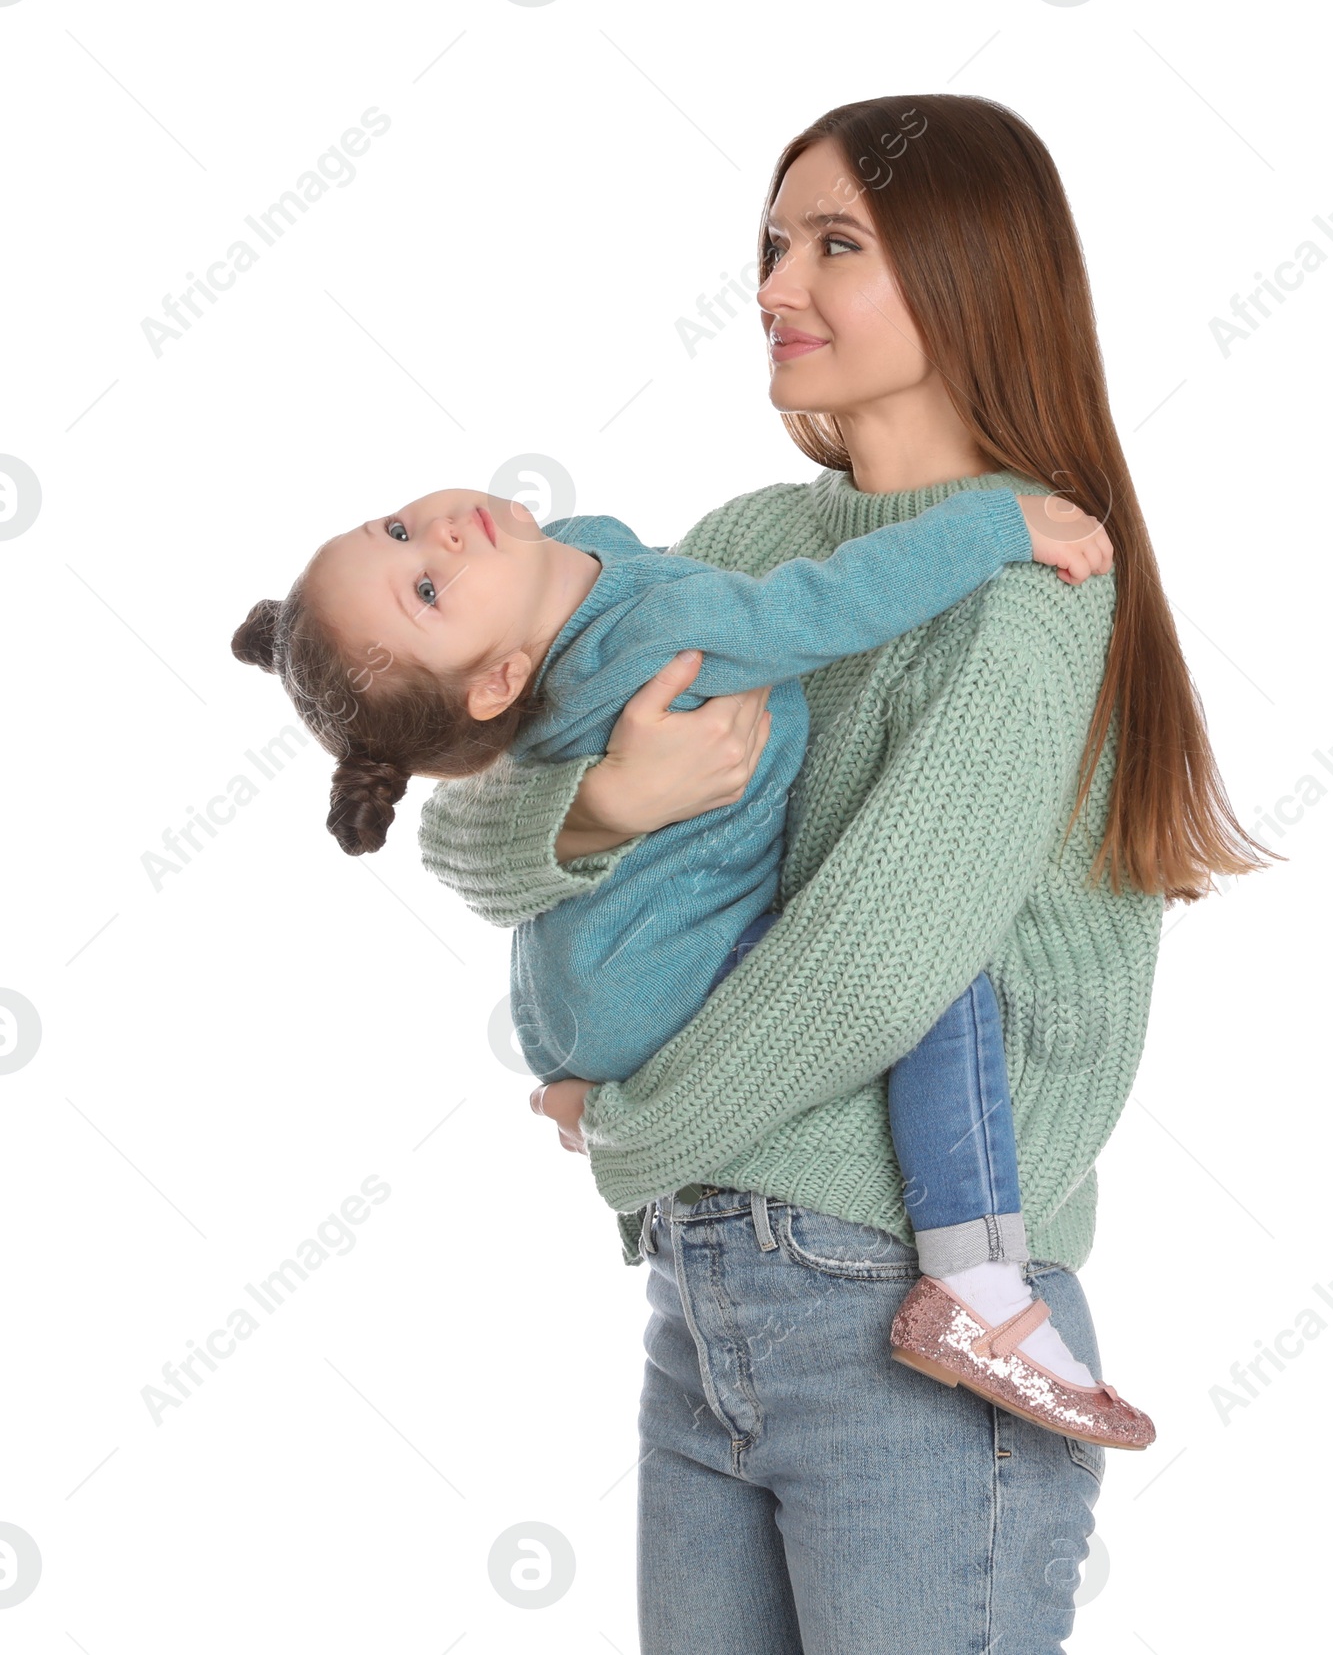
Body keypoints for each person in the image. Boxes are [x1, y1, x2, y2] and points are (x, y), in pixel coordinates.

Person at [425, 94, 1280, 1648]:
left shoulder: (1037, 582)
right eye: (771, 242)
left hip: (910, 1311)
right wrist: (603, 809)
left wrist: (630, 1129)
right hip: (706, 1302)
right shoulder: (746, 542)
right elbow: (463, 819)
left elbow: (877, 967)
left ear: (970, 276)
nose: (774, 284)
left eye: (835, 245)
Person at [230, 457, 1155, 1446]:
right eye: (424, 593)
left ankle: (597, 1084)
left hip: (579, 982)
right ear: (499, 680)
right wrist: (997, 531)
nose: (438, 540)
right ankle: (974, 1280)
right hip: (652, 972)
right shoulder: (660, 632)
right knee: (945, 988)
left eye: (397, 531)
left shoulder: (574, 573)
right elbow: (829, 603)